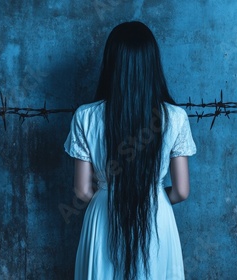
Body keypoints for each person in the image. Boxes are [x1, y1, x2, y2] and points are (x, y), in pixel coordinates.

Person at [64, 21, 196, 280]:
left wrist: (114, 196)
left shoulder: (86, 116)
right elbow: (181, 191)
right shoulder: (176, 117)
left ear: (111, 63)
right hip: (157, 217)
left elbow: (82, 191)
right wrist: (148, 197)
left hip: (103, 216)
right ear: (152, 64)